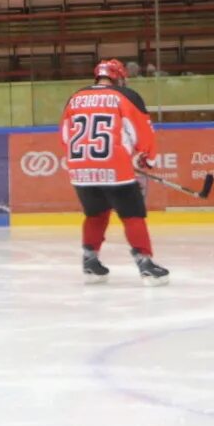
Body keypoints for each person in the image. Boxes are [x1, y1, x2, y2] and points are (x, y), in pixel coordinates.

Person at [61, 58, 168, 284]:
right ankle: (145, 263)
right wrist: (148, 159)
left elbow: (65, 135)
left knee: (95, 213)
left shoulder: (75, 98)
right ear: (118, 77)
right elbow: (142, 132)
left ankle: (90, 261)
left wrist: (80, 161)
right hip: (114, 167)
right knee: (133, 214)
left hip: (80, 168)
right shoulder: (126, 97)